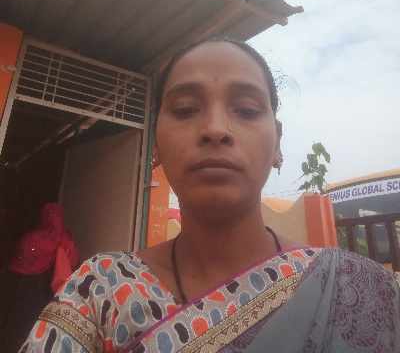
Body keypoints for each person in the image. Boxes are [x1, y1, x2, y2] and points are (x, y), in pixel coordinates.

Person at [19, 39, 400, 352]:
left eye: (246, 110)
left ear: (278, 143)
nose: (216, 129)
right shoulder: (101, 290)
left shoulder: (358, 290)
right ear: (155, 145)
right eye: (185, 110)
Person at [3, 202, 79, 352]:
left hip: (27, 287)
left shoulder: (32, 238)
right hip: (47, 293)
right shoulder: (66, 241)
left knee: (19, 326)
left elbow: (18, 262)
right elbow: (72, 264)